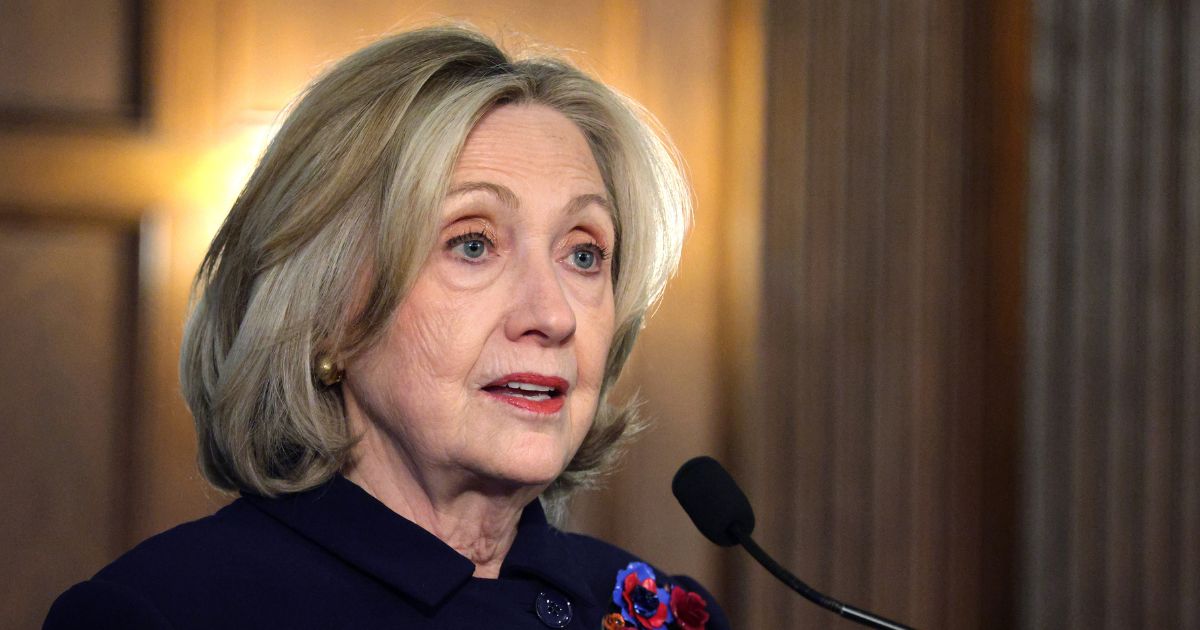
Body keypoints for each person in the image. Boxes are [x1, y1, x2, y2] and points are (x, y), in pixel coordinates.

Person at [44, 25, 728, 630]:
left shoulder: (659, 612)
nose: (552, 316)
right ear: (326, 312)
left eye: (583, 254)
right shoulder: (164, 612)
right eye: (472, 244)